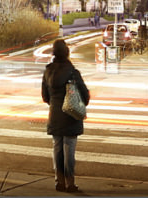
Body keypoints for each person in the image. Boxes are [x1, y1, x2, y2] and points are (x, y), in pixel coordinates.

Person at [41, 39, 89, 193]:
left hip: (54, 114)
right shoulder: (73, 72)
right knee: (69, 150)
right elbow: (85, 96)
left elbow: (45, 96)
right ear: (67, 53)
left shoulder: (48, 71)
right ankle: (70, 183)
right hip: (70, 115)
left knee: (57, 149)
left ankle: (59, 181)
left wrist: (54, 104)